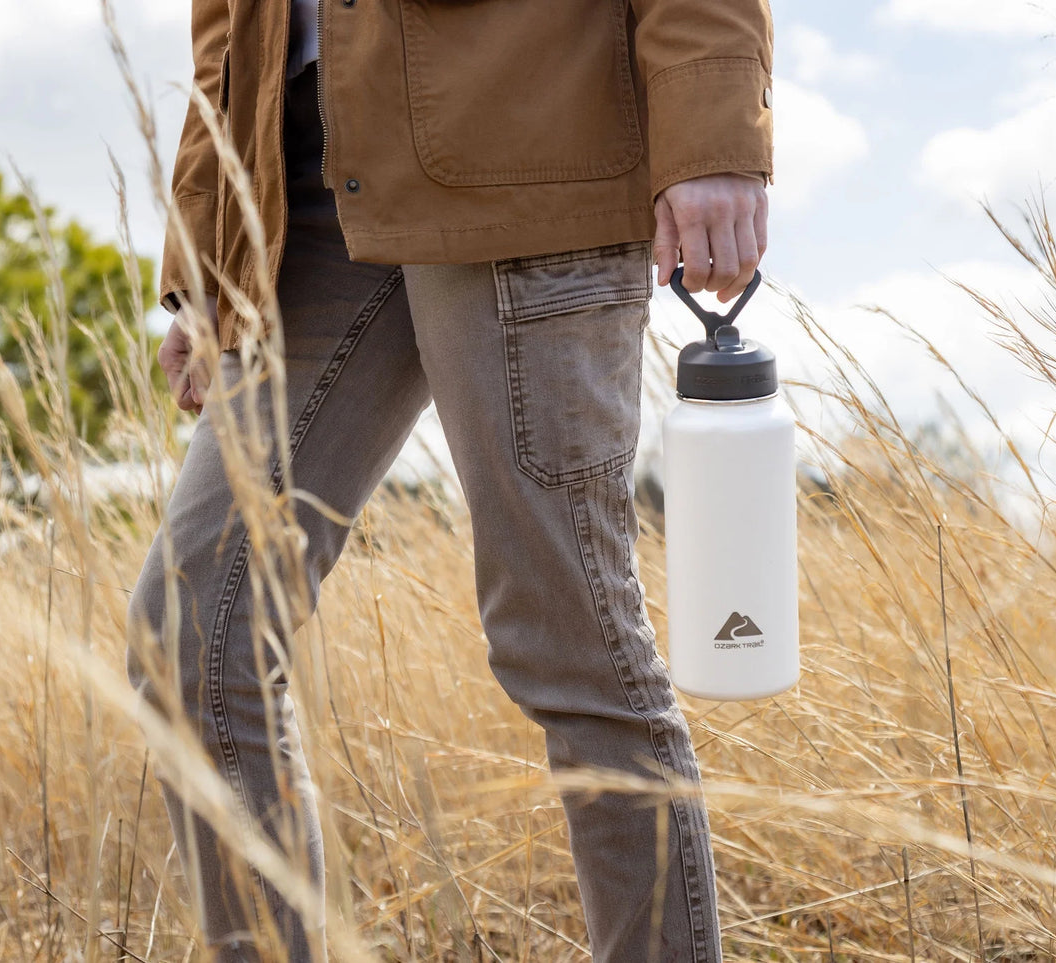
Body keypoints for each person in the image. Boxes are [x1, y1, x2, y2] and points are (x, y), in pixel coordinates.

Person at [125, 0, 773, 960]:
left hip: (521, 128)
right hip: (297, 176)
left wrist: (713, 127)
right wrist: (212, 245)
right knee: (191, 625)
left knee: (569, 632)